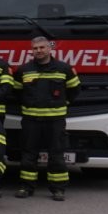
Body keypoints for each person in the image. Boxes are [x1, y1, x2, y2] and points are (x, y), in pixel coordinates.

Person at [12, 36, 80, 201]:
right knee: (28, 154)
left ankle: (58, 189)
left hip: (55, 120)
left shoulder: (64, 69)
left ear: (50, 48)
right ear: (32, 50)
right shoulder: (24, 70)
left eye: (42, 48)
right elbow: (16, 92)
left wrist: (63, 104)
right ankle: (26, 187)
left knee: (56, 154)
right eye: (35, 48)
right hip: (31, 120)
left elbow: (74, 90)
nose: (39, 51)